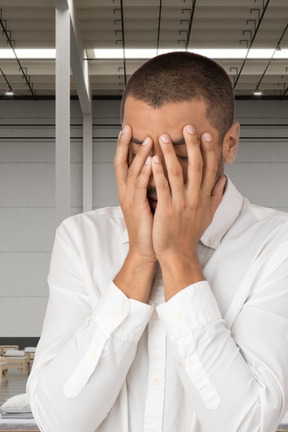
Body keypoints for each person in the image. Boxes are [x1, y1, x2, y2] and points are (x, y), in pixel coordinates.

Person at [27, 52, 288, 432]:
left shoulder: (276, 245)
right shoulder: (81, 239)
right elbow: (59, 419)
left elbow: (245, 422)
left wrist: (178, 257)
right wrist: (140, 256)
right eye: (137, 152)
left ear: (229, 144)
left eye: (179, 154)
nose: (153, 174)